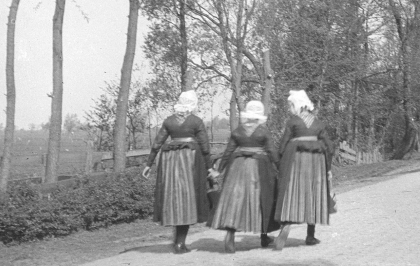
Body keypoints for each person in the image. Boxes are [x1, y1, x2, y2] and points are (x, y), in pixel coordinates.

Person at [141, 90, 211, 254]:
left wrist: (148, 164)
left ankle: (178, 241)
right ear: (193, 104)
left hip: (171, 162)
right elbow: (205, 147)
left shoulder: (169, 121)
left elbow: (157, 143)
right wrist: (209, 167)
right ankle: (180, 243)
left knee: (174, 198)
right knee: (187, 198)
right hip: (189, 161)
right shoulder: (196, 121)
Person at [209, 100, 280, 253]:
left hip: (238, 166)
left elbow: (228, 152)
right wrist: (280, 167)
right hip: (259, 167)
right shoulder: (263, 132)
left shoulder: (238, 131)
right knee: (263, 198)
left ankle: (230, 235)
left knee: (234, 200)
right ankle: (264, 236)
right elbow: (272, 152)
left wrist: (219, 170)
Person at [274, 90, 336, 251]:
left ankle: (286, 226)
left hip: (296, 162)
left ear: (297, 105)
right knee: (313, 194)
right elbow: (329, 147)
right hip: (316, 163)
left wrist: (280, 162)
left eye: (290, 105)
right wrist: (328, 167)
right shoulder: (318, 124)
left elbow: (283, 144)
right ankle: (310, 235)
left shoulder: (293, 122)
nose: (290, 109)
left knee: (293, 193)